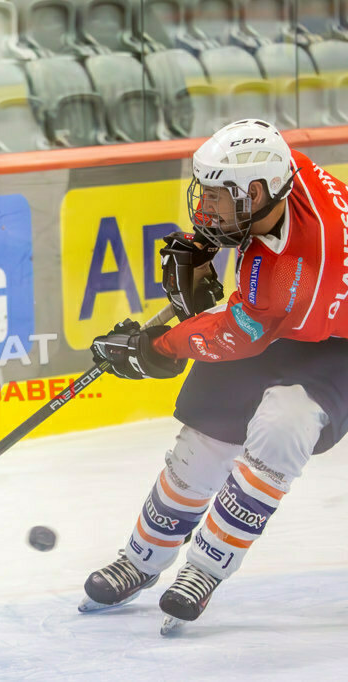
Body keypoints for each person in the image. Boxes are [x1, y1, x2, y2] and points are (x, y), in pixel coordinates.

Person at [79, 118, 348, 633]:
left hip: (336, 344)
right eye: (204, 193)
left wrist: (156, 348)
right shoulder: (286, 175)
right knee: (206, 436)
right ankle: (142, 558)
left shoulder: (300, 268)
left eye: (218, 199)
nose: (205, 208)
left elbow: (243, 333)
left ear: (257, 192)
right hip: (284, 318)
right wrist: (208, 257)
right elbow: (255, 298)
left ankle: (205, 568)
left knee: (284, 425)